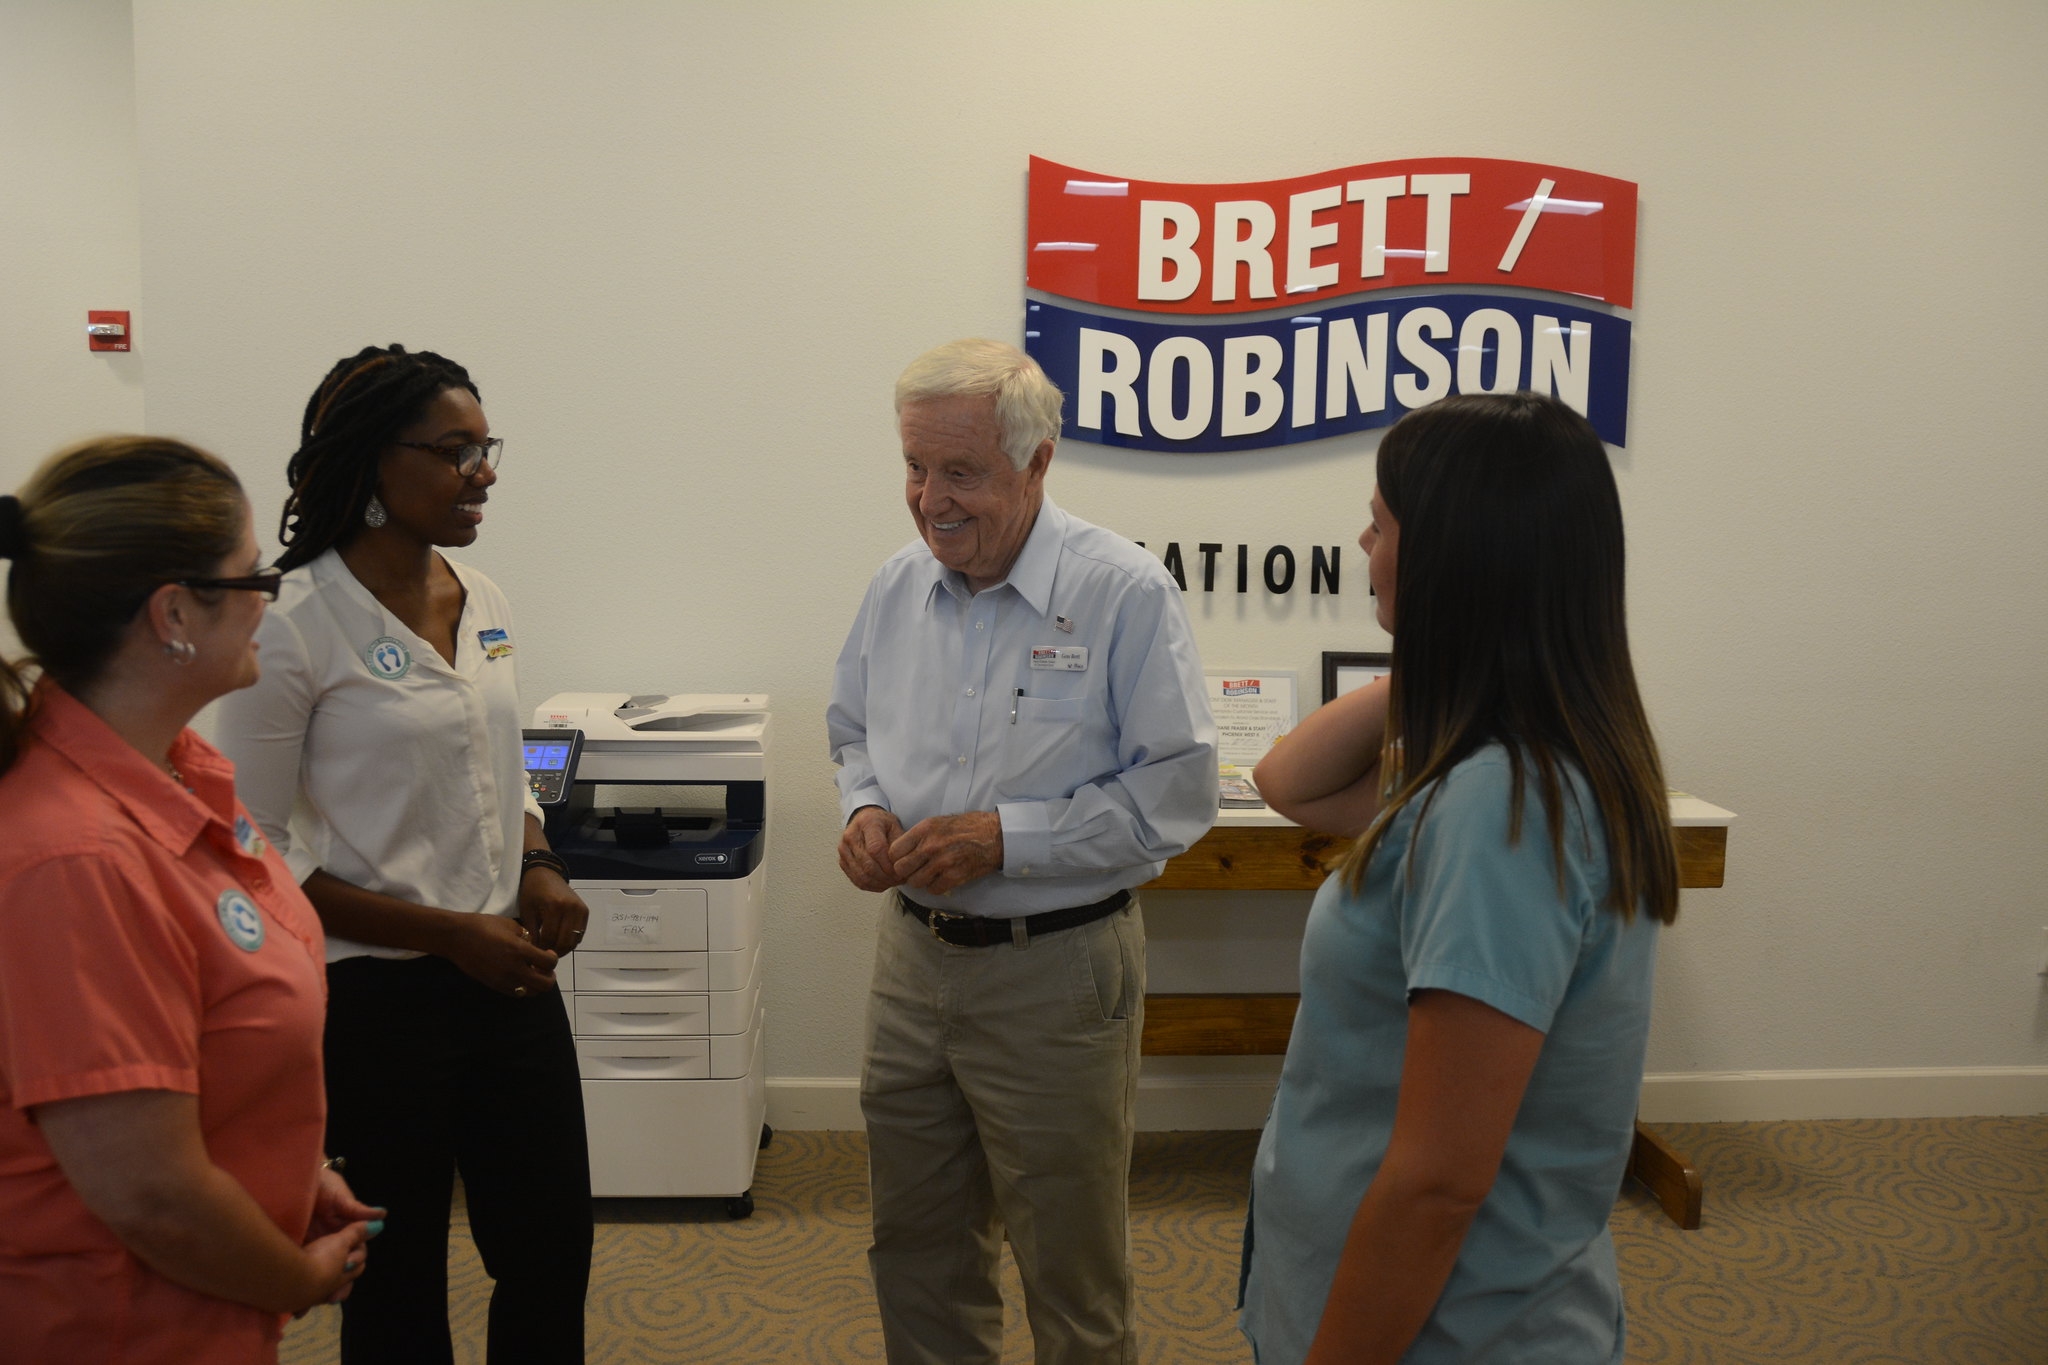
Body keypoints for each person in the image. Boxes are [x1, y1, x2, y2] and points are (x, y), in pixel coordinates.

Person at [1238, 391, 1682, 1364]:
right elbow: (1288, 783)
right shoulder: (1496, 756)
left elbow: (1438, 1185)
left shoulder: (1502, 805)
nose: (1361, 540)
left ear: (1452, 556)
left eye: (1381, 521)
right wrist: (1449, 657)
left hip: (1449, 1328)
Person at [827, 338, 1218, 1365]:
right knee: (913, 1248)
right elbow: (851, 729)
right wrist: (864, 807)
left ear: (1036, 462)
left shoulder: (1121, 592)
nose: (928, 498)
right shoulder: (893, 587)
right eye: (915, 466)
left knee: (1069, 1268)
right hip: (912, 964)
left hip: (1058, 970)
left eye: (961, 471)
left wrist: (1008, 836)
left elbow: (1176, 795)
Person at [214, 345, 593, 1364]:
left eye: (486, 447)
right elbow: (254, 851)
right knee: (396, 1279)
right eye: (453, 450)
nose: (485, 472)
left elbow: (502, 768)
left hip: (507, 979)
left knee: (552, 1248)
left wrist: (540, 860)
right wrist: (446, 935)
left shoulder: (486, 597)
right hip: (376, 1005)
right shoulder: (291, 624)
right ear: (372, 462)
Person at [0, 437, 380, 1363]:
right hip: (113, 1325)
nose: (271, 601)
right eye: (252, 579)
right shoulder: (76, 856)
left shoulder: (180, 776)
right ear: (173, 613)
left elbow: (209, 1034)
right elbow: (149, 1193)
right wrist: (299, 1277)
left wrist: (286, 1173)